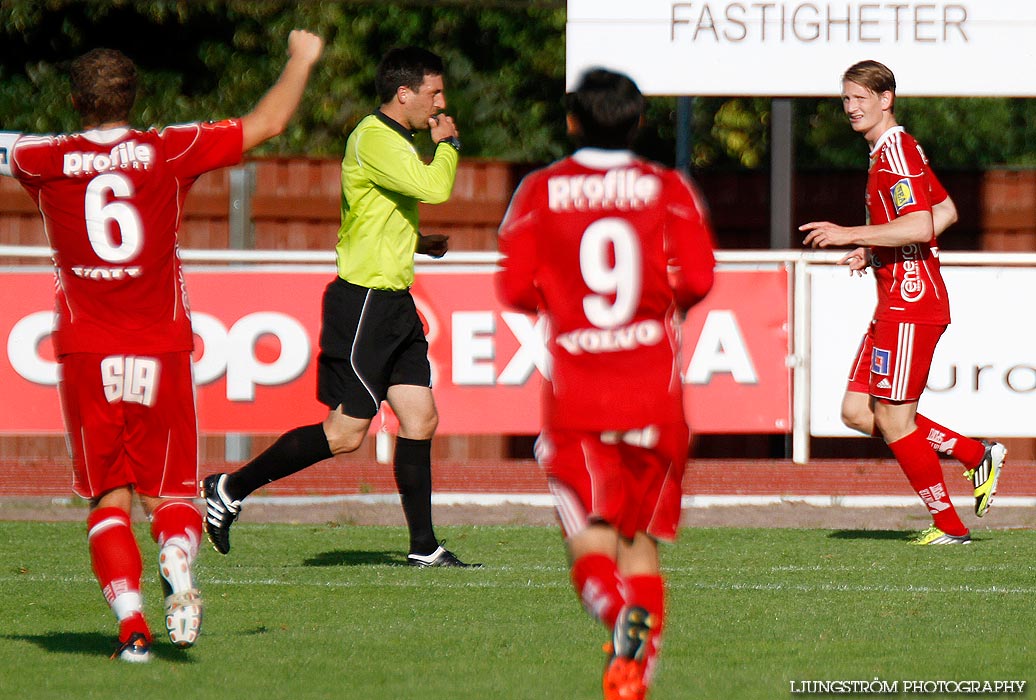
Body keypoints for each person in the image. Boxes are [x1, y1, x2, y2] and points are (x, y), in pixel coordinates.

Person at [0, 31, 324, 661]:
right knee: (172, 492)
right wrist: (302, 57)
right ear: (134, 97)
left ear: (72, 99)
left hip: (87, 351)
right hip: (161, 346)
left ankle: (132, 631)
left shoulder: (42, 157)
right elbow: (269, 121)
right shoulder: (168, 149)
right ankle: (177, 561)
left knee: (108, 497)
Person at [202, 46, 477, 568]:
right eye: (433, 92)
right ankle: (230, 488)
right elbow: (434, 186)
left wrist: (415, 241)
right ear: (404, 93)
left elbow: (370, 216)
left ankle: (424, 548)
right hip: (365, 304)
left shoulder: (392, 139)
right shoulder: (374, 136)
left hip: (393, 301)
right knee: (346, 434)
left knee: (420, 418)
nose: (441, 103)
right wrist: (449, 143)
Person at [496, 68, 715, 700]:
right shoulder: (666, 187)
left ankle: (620, 617)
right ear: (639, 121)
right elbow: (698, 278)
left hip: (580, 394)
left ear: (571, 121)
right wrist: (650, 308)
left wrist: (568, 305)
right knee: (637, 536)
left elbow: (513, 288)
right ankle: (634, 675)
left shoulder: (541, 190)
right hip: (653, 389)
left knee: (588, 534)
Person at [800, 59, 1006, 545]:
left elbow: (921, 225)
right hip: (893, 300)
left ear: (885, 99)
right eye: (846, 99)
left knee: (894, 419)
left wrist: (848, 233)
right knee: (856, 411)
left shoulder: (895, 152)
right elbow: (948, 210)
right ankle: (975, 455)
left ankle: (949, 526)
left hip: (911, 303)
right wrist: (872, 251)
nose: (850, 108)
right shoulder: (889, 151)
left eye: (859, 98)